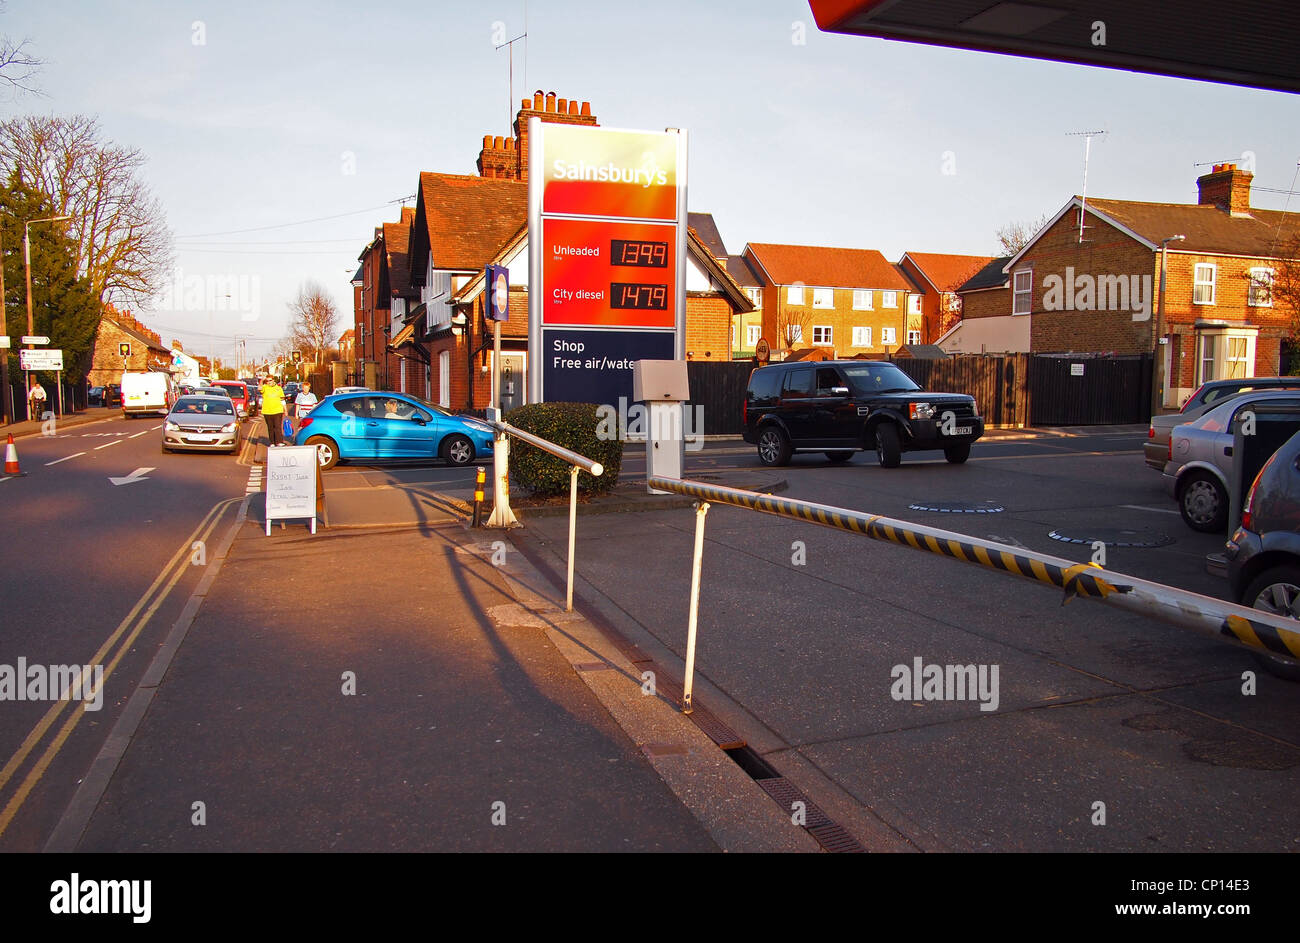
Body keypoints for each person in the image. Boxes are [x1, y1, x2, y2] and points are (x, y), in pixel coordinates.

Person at [261, 376, 286, 448]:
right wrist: (261, 381)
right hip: (267, 411)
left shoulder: (279, 388)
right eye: (267, 381)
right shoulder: (265, 387)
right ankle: (272, 442)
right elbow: (259, 389)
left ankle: (279, 442)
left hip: (278, 410)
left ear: (273, 380)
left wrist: (285, 409)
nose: (269, 382)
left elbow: (282, 400)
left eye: (270, 380)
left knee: (277, 426)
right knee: (270, 427)